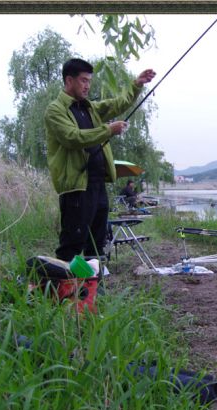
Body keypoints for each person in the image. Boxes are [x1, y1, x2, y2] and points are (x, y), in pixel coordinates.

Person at [44, 58, 156, 261]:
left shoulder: (90, 108)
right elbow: (72, 138)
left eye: (89, 81)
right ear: (69, 81)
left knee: (96, 241)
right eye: (83, 80)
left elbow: (118, 104)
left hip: (97, 184)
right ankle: (61, 288)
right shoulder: (55, 110)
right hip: (76, 187)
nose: (87, 86)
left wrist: (136, 85)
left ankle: (93, 287)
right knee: (73, 241)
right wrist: (108, 130)